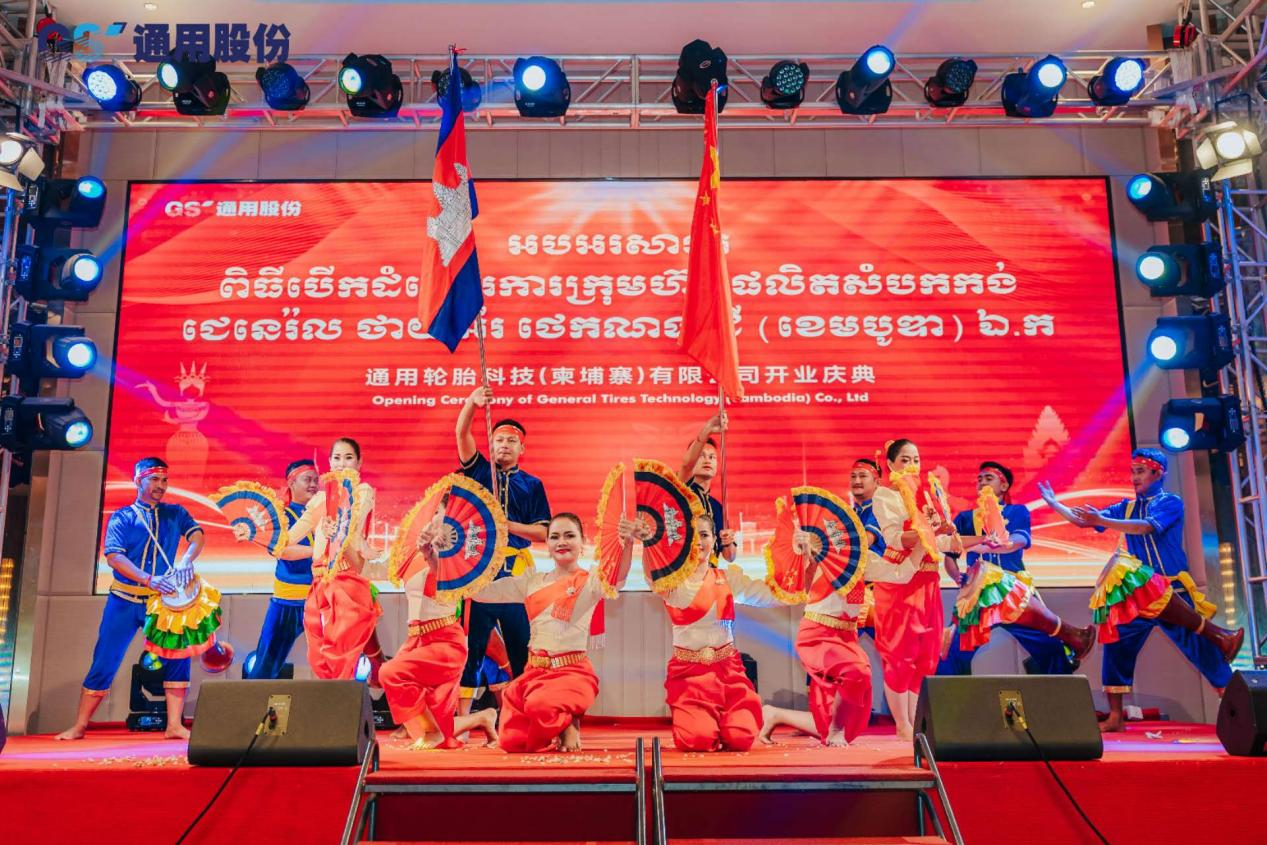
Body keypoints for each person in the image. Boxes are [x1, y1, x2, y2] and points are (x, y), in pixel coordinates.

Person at [1040, 448, 1244, 732]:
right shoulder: (1126, 508)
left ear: (1158, 473)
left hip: (1172, 589)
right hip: (1138, 595)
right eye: (1132, 472)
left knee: (1204, 650)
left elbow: (1145, 528)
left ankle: (1242, 712)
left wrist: (1102, 520)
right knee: (1116, 646)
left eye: (1140, 472)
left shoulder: (1170, 502)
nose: (1134, 477)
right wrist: (1055, 504)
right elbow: (1085, 519)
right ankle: (1115, 717)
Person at [57, 457, 204, 741]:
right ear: (138, 480)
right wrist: (148, 579)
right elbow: (114, 557)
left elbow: (197, 535)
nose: (161, 486)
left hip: (160, 602)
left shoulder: (175, 513)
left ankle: (174, 725)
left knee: (178, 656)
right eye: (154, 480)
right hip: (124, 600)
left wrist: (187, 558)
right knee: (105, 659)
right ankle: (80, 725)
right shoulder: (122, 517)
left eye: (164, 480)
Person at [470, 513, 632, 752]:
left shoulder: (590, 582)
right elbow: (479, 593)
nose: (561, 542)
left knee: (539, 705)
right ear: (547, 544)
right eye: (554, 537)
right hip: (534, 674)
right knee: (512, 741)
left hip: (571, 673)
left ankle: (569, 720)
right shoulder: (531, 582)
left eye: (569, 536)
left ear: (582, 542)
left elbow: (617, 579)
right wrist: (447, 559)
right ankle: (559, 718)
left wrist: (627, 543)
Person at [938, 461, 1091, 676]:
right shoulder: (965, 518)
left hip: (1012, 589)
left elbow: (1019, 540)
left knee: (1048, 646)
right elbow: (950, 557)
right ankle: (954, 697)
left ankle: (1061, 693)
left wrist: (998, 544)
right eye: (979, 479)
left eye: (989, 478)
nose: (982, 483)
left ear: (1004, 486)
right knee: (952, 650)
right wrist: (957, 576)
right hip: (978, 592)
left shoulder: (1017, 511)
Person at [456, 387, 552, 711]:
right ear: (491, 444)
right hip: (479, 571)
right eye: (498, 440)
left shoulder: (533, 485)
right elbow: (462, 433)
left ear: (522, 448)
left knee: (520, 645)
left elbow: (543, 531)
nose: (504, 445)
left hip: (516, 573)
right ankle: (462, 721)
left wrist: (506, 525)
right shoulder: (480, 472)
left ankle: (523, 713)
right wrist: (472, 403)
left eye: (511, 440)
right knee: (473, 647)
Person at [378, 508, 499, 749]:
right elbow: (372, 569)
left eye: (444, 518)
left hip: (445, 643)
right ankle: (483, 717)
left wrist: (430, 554)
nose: (437, 522)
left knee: (389, 672)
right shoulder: (413, 554)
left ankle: (434, 731)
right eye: (435, 516)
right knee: (427, 731)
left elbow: (444, 581)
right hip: (415, 642)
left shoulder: (457, 558)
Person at [658, 515, 776, 752]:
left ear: (714, 540)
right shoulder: (671, 582)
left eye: (704, 535)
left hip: (728, 672)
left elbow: (770, 596)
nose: (697, 541)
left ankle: (734, 719)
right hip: (689, 676)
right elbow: (652, 567)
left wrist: (804, 563)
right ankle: (702, 721)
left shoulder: (727, 578)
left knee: (741, 738)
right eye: (691, 536)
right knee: (698, 739)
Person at [870, 439, 959, 740]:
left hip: (929, 581)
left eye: (916, 460)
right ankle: (902, 724)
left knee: (927, 654)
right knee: (901, 654)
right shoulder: (885, 495)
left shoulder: (928, 495)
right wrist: (930, 532)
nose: (912, 466)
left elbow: (939, 542)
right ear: (890, 465)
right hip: (901, 580)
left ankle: (914, 719)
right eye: (905, 460)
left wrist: (953, 538)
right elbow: (895, 539)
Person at [760, 521, 872, 748]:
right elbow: (800, 588)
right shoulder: (813, 548)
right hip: (818, 633)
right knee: (857, 672)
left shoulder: (857, 554)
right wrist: (807, 557)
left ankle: (775, 714)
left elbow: (894, 573)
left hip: (846, 636)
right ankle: (836, 729)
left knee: (847, 725)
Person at [283, 438, 383, 680]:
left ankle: (347, 699)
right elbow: (288, 539)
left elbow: (352, 527)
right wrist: (255, 534)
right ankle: (342, 694)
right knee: (318, 656)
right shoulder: (319, 500)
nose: (342, 463)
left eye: (348, 458)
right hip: (319, 582)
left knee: (341, 653)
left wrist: (337, 531)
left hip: (346, 579)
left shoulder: (362, 492)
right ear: (329, 462)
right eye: (337, 458)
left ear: (359, 462)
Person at [244, 459, 320, 679]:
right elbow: (282, 551)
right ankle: (254, 700)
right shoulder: (280, 517)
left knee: (333, 661)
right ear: (291, 483)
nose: (313, 485)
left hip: (320, 599)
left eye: (316, 480)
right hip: (288, 600)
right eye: (308, 479)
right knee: (265, 665)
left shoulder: (325, 516)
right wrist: (320, 551)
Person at [679, 412, 738, 563]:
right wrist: (708, 429)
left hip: (710, 574)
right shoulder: (681, 492)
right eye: (701, 456)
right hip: (683, 573)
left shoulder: (718, 507)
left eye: (712, 457)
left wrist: (729, 543)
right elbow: (686, 466)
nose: (707, 460)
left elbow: (730, 557)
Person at [851, 458, 885, 642]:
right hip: (856, 588)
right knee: (837, 644)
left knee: (893, 649)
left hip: (877, 590)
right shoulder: (853, 512)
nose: (857, 480)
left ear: (877, 482)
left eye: (863, 476)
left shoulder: (880, 509)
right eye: (853, 476)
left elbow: (863, 543)